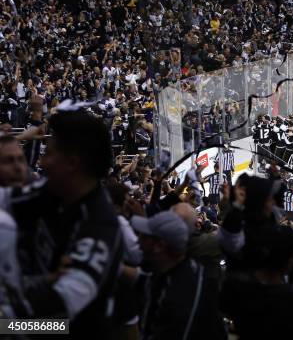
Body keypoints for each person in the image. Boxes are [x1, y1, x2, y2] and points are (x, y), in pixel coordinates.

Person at [0, 110, 123, 339]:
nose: (41, 162)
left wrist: (5, 324)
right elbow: (6, 199)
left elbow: (59, 322)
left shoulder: (98, 230)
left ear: (72, 163)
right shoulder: (53, 192)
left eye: (48, 154)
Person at [131, 210, 226, 340]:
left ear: (159, 246)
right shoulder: (185, 268)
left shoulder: (177, 296)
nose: (138, 241)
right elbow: (147, 279)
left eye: (144, 236)